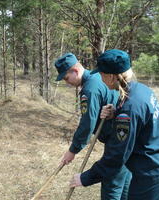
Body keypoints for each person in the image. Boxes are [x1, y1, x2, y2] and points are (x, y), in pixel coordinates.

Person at [69, 49, 159, 200]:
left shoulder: (129, 107)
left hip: (149, 176)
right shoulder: (141, 91)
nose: (100, 78)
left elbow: (116, 156)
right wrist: (116, 113)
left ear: (111, 76)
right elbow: (141, 124)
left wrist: (86, 178)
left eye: (101, 74)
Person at [54, 53, 132, 199]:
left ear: (75, 71)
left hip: (116, 145)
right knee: (125, 189)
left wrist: (73, 150)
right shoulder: (99, 79)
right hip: (126, 144)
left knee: (112, 190)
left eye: (66, 77)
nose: (67, 82)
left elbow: (87, 124)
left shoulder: (90, 88)